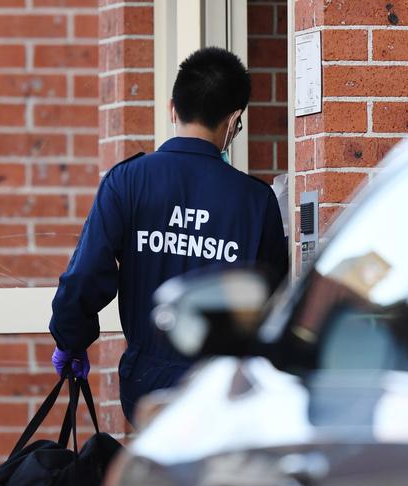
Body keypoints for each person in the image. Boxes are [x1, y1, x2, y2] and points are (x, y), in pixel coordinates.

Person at [49, 46, 288, 424]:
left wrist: (70, 340)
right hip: (221, 391)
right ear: (234, 120)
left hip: (147, 385)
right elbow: (276, 302)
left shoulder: (127, 182)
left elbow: (85, 275)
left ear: (172, 108)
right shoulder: (256, 201)